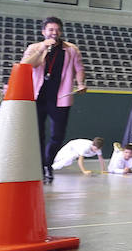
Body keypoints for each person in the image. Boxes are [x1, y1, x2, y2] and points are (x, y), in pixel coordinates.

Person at [21, 16, 86, 183]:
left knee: (58, 135)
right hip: (37, 97)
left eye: (57, 30)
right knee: (38, 134)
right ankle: (41, 166)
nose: (54, 33)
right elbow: (25, 65)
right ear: (44, 32)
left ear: (61, 31)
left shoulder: (71, 49)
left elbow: (79, 68)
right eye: (50, 30)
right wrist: (42, 48)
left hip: (60, 97)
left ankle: (47, 163)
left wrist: (80, 84)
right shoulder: (34, 47)